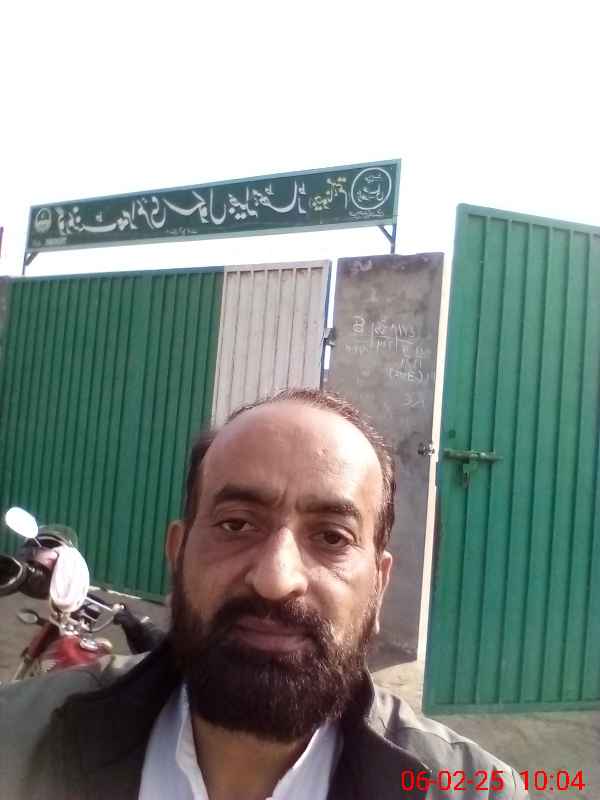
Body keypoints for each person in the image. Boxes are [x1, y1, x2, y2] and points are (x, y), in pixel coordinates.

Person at [0, 388, 527, 799]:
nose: (276, 579)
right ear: (178, 553)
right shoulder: (16, 740)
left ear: (379, 584)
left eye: (332, 537)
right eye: (236, 524)